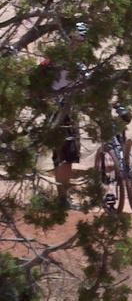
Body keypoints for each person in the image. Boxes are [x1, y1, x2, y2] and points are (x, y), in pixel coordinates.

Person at [39, 22, 89, 201]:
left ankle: (62, 195)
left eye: (81, 38)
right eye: (77, 37)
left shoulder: (76, 58)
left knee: (64, 153)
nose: (79, 42)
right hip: (60, 108)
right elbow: (41, 77)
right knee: (65, 152)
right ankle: (62, 197)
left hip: (66, 107)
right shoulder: (58, 58)